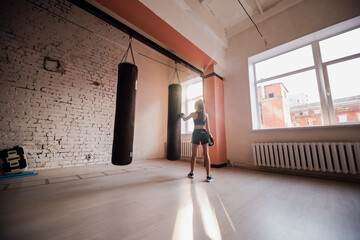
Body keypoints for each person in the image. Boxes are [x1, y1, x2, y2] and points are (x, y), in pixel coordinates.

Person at [179, 99, 213, 182]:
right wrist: (210, 136)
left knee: (194, 154)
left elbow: (184, 119)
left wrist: (181, 115)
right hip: (204, 133)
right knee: (206, 155)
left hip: (196, 133)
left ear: (196, 106)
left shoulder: (193, 114)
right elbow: (208, 128)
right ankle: (208, 176)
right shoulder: (206, 115)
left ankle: (192, 173)